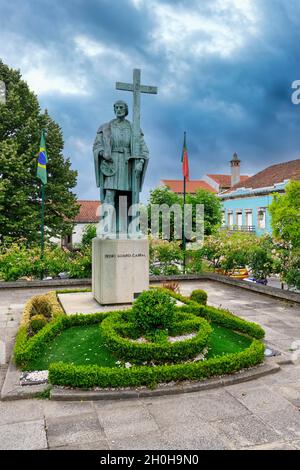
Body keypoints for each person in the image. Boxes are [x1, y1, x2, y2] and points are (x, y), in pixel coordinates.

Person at [93, 100, 149, 236]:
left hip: (128, 165)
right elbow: (97, 146)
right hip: (111, 165)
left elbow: (143, 149)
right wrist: (102, 153)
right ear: (114, 109)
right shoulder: (106, 128)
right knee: (109, 194)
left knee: (131, 196)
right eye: (116, 107)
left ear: (126, 109)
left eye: (121, 107)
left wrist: (140, 161)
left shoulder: (134, 129)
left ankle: (132, 228)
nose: (119, 109)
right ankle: (107, 227)